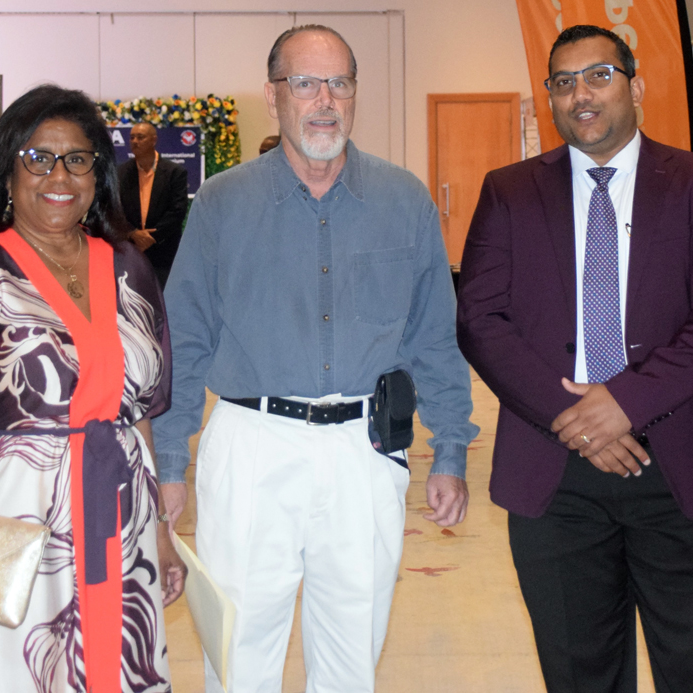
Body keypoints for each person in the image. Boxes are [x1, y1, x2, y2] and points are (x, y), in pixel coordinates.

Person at [153, 25, 478, 693]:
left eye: (339, 83)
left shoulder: (403, 200)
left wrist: (449, 449)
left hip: (365, 452)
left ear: (355, 93)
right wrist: (169, 462)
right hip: (251, 447)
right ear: (273, 96)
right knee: (238, 651)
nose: (324, 100)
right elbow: (184, 338)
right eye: (304, 83)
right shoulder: (222, 204)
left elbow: (433, 337)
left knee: (352, 657)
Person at [457, 25, 693, 693]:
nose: (581, 95)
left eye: (599, 75)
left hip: (683, 468)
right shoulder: (509, 190)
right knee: (579, 676)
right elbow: (480, 320)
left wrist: (624, 402)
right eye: (563, 83)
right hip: (555, 473)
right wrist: (577, 418)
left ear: (636, 87)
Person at [0, 84, 186, 693]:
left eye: (77, 159)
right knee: (19, 670)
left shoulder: (129, 269)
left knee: (115, 664)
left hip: (121, 517)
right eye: (38, 158)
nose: (59, 175)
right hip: (17, 526)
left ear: (96, 175)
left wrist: (160, 531)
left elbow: (137, 415)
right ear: (7, 172)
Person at [118, 122, 189, 288]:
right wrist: (133, 233)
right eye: (132, 137)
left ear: (154, 140)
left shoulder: (174, 172)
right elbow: (115, 209)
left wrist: (151, 238)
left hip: (163, 252)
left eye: (140, 137)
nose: (135, 141)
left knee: (163, 298)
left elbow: (177, 210)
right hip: (130, 250)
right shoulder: (120, 173)